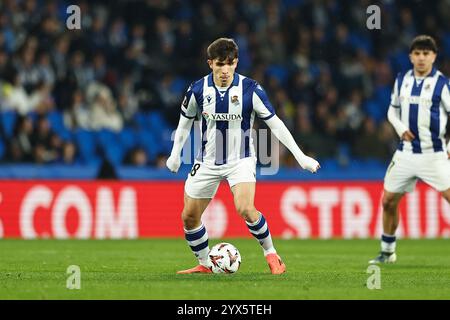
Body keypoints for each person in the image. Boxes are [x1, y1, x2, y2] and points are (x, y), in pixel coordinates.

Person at [166, 38, 320, 274]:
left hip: (241, 159)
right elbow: (184, 123)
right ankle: (206, 263)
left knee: (245, 208)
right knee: (188, 216)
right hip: (207, 161)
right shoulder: (197, 89)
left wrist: (300, 157)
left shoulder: (250, 90)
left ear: (236, 63)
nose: (225, 70)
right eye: (220, 64)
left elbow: (276, 124)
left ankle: (271, 254)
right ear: (210, 64)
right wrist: (175, 154)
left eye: (230, 64)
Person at [369, 35, 450, 264]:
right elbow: (392, 111)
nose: (421, 58)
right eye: (417, 53)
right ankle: (387, 251)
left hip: (434, 154)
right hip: (405, 153)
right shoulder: (401, 80)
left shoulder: (442, 84)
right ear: (411, 57)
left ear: (434, 57)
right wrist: (400, 127)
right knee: (388, 201)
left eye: (426, 53)